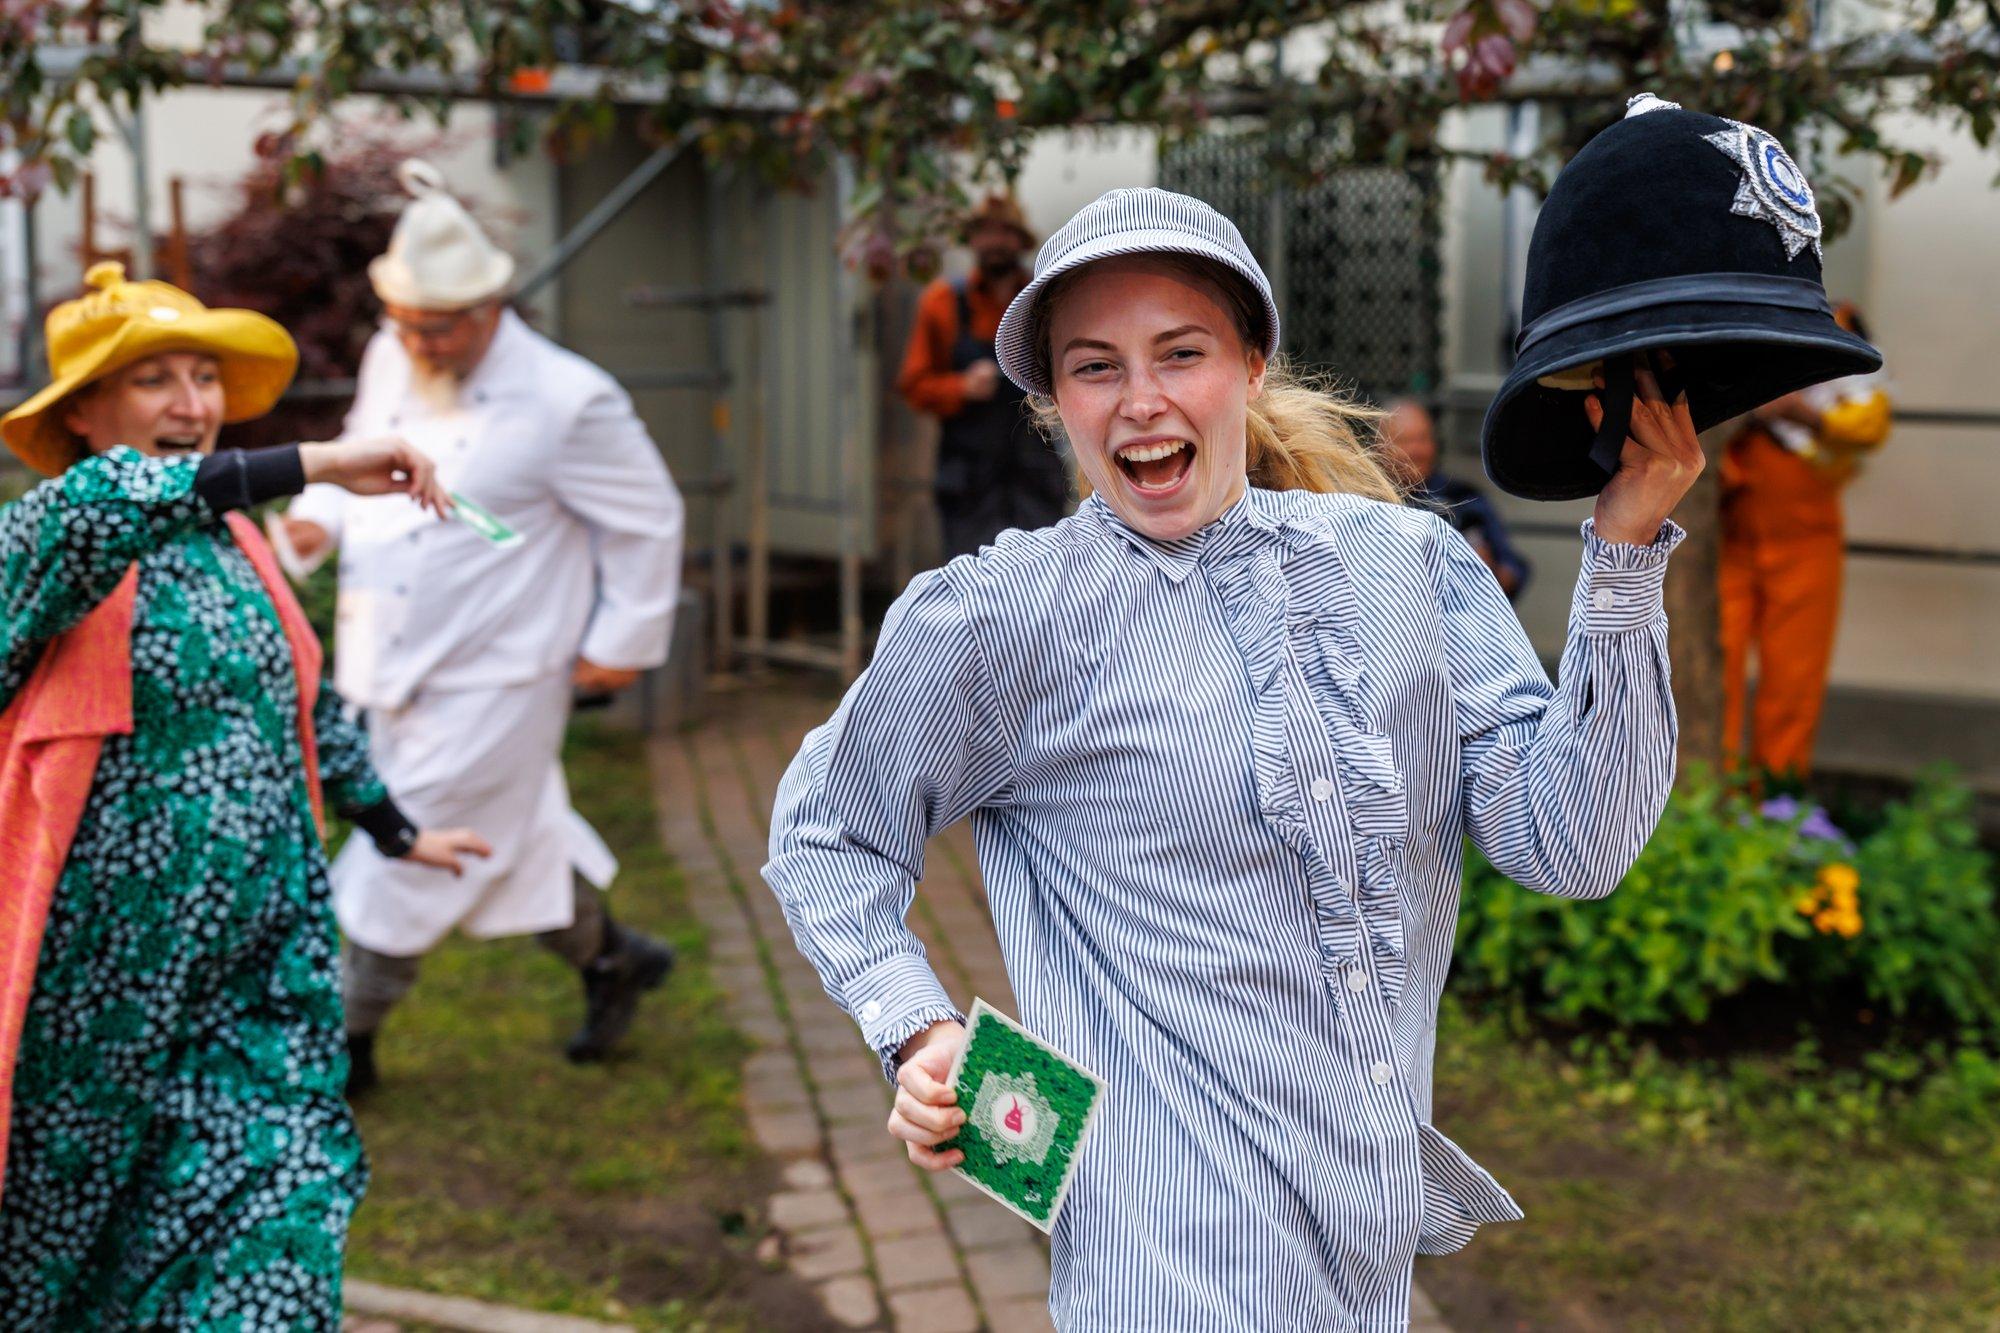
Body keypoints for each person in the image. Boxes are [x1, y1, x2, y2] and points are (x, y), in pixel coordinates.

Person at [763, 188, 1702, 1329]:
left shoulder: (1408, 568)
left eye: (1180, 352)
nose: (1141, 400)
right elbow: (827, 832)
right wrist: (921, 1030)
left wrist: (1623, 551)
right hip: (1162, 1259)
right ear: (1053, 401)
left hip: (1365, 1246)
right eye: (1094, 366)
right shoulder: (1003, 618)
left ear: (1251, 362)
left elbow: (1571, 843)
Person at [0, 261, 487, 1329]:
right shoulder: (44, 538)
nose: (193, 405)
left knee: (279, 1227)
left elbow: (298, 701)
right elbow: (104, 505)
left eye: (204, 376)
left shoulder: (232, 542)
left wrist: (396, 827)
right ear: (83, 412)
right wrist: (312, 463)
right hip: (101, 1002)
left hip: (258, 972)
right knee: (58, 1263)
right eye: (154, 382)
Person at [281, 160, 686, 1090]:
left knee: (404, 848)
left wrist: (618, 647)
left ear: (492, 304)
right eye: (409, 323)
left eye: (442, 326)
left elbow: (649, 517)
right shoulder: (395, 355)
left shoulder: (569, 397)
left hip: (499, 673)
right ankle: (615, 958)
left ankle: (346, 1048)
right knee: (511, 843)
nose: (422, 342)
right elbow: (365, 464)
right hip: (385, 653)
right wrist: (322, 522)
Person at [1718, 301, 1891, 776]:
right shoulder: (1734, 317)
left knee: (1793, 681)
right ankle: (1713, 800)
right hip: (1728, 538)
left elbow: (1870, 422)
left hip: (1805, 541)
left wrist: (1799, 415)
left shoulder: (1835, 318)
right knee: (1717, 677)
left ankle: (1779, 802)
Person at [897, 191, 1071, 558]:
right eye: (985, 232)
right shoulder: (941, 302)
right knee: (974, 588)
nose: (994, 242)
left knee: (1042, 585)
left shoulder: (1046, 300)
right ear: (972, 240)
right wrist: (961, 388)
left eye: (1004, 232)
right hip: (969, 483)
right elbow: (913, 386)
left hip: (1035, 475)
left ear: (1020, 240)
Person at [1380, 397, 1532, 600]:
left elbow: (1513, 568)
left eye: (1423, 439)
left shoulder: (1464, 497)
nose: (1416, 451)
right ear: (1379, 447)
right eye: (1405, 441)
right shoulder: (1366, 503)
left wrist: (1486, 571)